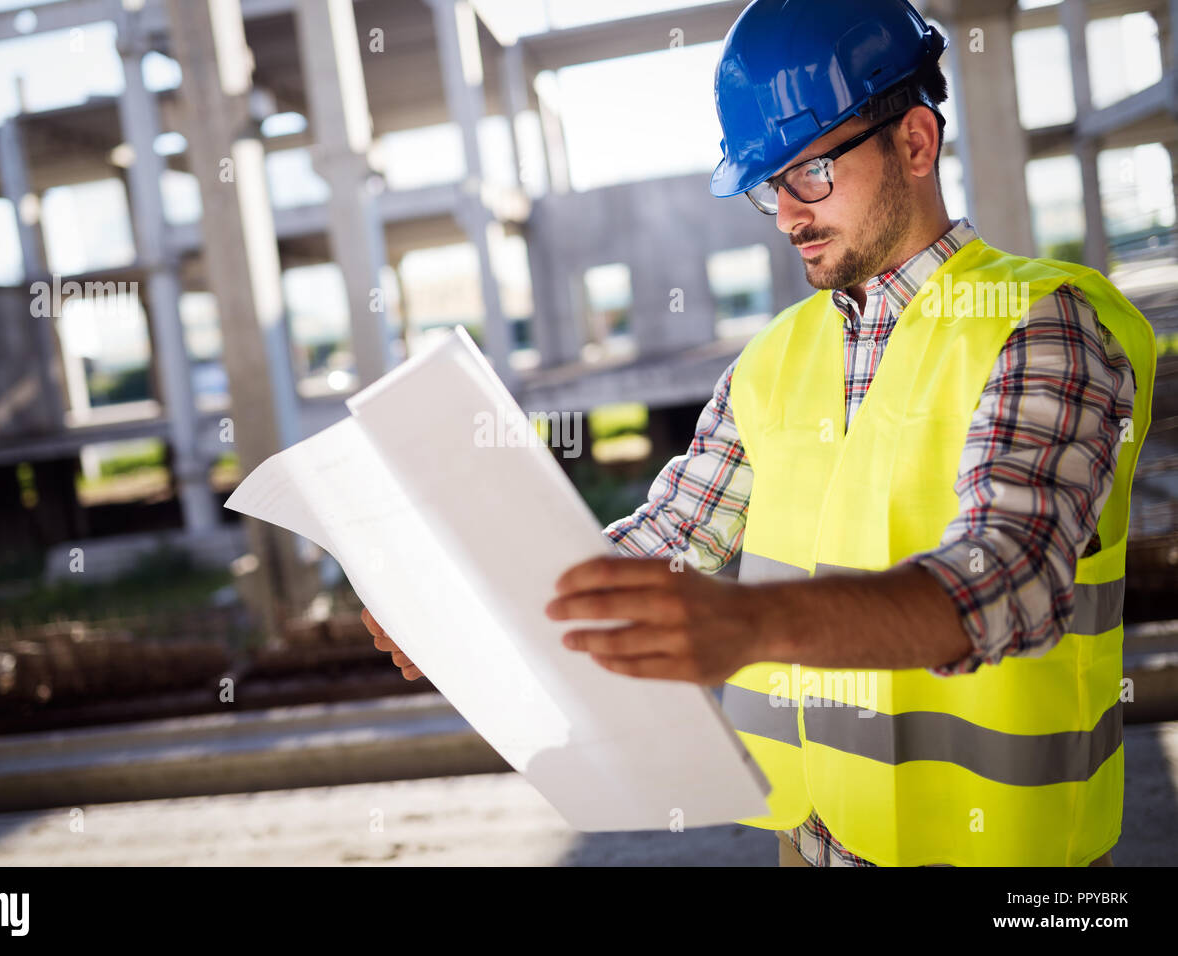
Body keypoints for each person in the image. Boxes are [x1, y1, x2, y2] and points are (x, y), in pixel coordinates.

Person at [367, 0, 1157, 867]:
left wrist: (751, 625)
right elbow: (667, 540)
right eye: (767, 185)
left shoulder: (1041, 322)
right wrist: (463, 611)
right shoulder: (775, 359)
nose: (786, 215)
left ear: (916, 143)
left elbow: (1014, 576)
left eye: (810, 172)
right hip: (809, 847)